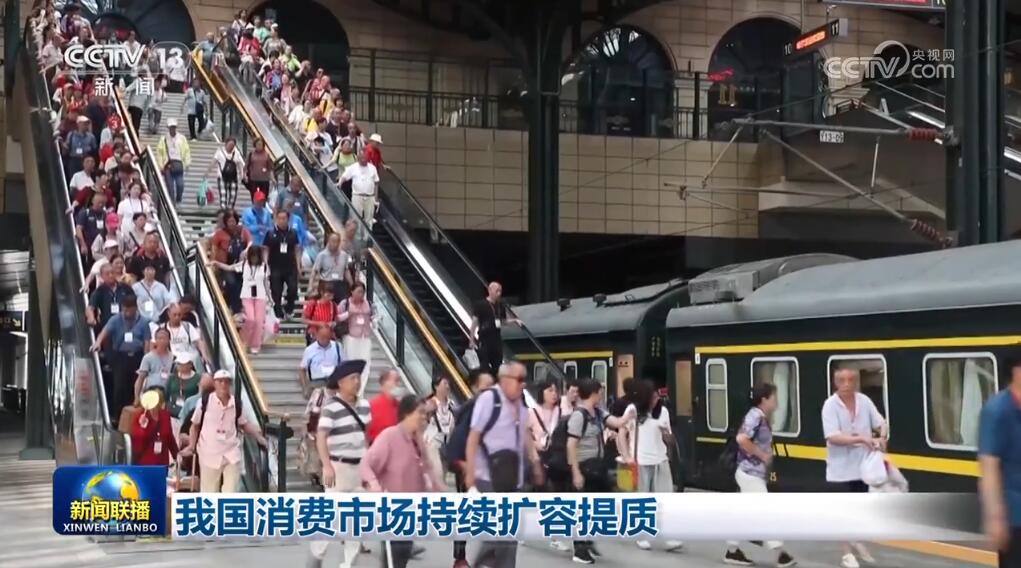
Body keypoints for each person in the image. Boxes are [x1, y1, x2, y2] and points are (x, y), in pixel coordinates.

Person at [464, 361, 544, 568]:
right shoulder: (489, 400)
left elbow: (525, 435)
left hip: (513, 480)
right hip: (488, 478)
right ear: (504, 379)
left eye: (525, 380)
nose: (523, 384)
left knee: (509, 536)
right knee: (498, 530)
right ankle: (482, 564)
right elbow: (473, 437)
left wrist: (535, 462)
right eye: (519, 379)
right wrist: (470, 474)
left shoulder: (521, 406)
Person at [361, 394, 446, 568]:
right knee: (396, 556)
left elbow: (426, 467)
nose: (424, 417)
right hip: (392, 509)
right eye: (420, 412)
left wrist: (439, 489)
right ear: (407, 414)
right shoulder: (389, 437)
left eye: (425, 413)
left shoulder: (418, 439)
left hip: (412, 509)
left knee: (402, 554)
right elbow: (366, 465)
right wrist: (375, 487)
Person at [822, 368, 888, 568]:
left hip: (862, 468)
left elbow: (881, 422)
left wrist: (881, 437)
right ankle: (846, 554)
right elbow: (832, 437)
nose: (847, 384)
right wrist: (861, 439)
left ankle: (857, 540)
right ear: (836, 383)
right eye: (842, 380)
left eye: (851, 380)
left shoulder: (864, 401)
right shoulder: (830, 405)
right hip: (840, 470)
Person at [566, 378, 635, 564]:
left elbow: (617, 422)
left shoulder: (597, 412)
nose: (602, 395)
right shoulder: (578, 416)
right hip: (583, 466)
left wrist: (629, 414)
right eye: (600, 392)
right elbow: (571, 445)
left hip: (597, 466)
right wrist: (575, 472)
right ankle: (579, 549)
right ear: (593, 393)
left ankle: (588, 541)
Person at [310, 360, 371, 568]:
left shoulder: (365, 406)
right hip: (338, 467)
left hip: (359, 468)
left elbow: (365, 436)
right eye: (352, 378)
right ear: (341, 383)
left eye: (359, 378)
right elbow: (321, 437)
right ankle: (317, 555)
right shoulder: (331, 407)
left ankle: (348, 563)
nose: (357, 382)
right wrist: (326, 466)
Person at [616, 380, 684, 552]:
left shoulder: (663, 412)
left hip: (660, 460)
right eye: (652, 397)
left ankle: (669, 536)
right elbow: (621, 434)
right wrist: (627, 457)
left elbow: (669, 439)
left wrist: (665, 434)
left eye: (657, 397)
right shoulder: (633, 410)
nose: (656, 400)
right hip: (640, 461)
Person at [182, 370, 268, 492]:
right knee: (209, 492)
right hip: (209, 452)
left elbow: (244, 423)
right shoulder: (205, 402)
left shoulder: (236, 403)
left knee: (230, 491)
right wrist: (191, 445)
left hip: (231, 452)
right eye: (220, 381)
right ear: (215, 383)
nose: (223, 385)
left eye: (226, 382)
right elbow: (194, 425)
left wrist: (258, 437)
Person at [979, 355, 1021, 568]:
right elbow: (989, 467)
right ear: (1016, 371)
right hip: (1014, 518)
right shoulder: (997, 411)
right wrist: (995, 517)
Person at [90, 295, 151, 418]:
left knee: (135, 386)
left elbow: (147, 341)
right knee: (119, 386)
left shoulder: (144, 322)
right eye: (125, 310)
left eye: (129, 310)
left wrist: (145, 358)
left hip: (137, 356)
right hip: (120, 356)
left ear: (135, 308)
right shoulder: (116, 319)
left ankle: (134, 415)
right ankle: (117, 415)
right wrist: (97, 343)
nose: (127, 313)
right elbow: (105, 331)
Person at [208, 245, 270, 354]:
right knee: (250, 319)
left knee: (259, 322)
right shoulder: (244, 264)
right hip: (247, 296)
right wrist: (216, 263)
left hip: (260, 296)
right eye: (252, 256)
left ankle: (255, 345)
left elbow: (266, 283)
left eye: (256, 256)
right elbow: (229, 267)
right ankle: (243, 341)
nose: (254, 259)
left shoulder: (264, 267)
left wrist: (270, 298)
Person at [469, 282, 521, 374]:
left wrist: (515, 321)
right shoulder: (480, 305)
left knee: (498, 366)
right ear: (490, 290)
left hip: (496, 339)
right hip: (485, 339)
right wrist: (471, 340)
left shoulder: (500, 305)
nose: (499, 293)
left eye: (500, 291)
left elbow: (503, 321)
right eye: (497, 291)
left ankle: (495, 379)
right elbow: (474, 323)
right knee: (484, 366)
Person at [210, 209, 251, 314]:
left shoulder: (242, 231)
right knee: (232, 283)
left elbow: (250, 241)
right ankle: (235, 309)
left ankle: (236, 306)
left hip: (240, 264)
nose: (231, 223)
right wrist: (213, 262)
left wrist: (246, 250)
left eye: (233, 221)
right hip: (225, 264)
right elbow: (214, 248)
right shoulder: (219, 233)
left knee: (241, 283)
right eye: (229, 221)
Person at [264, 210, 301, 320]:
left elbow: (297, 249)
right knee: (276, 290)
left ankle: (289, 308)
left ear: (288, 219)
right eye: (279, 218)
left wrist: (298, 264)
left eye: (284, 218)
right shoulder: (270, 233)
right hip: (275, 266)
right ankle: (278, 312)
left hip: (290, 266)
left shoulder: (293, 233)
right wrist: (266, 263)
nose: (281, 221)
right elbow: (266, 249)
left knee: (293, 288)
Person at [154, 303, 210, 370]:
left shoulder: (187, 326)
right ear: (169, 314)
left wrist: (204, 354)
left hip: (190, 358)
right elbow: (155, 345)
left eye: (179, 315)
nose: (177, 317)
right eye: (174, 315)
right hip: (172, 360)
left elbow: (198, 341)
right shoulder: (162, 329)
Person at [131, 388, 179, 466]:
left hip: (162, 462)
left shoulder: (165, 416)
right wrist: (142, 428)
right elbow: (137, 446)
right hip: (145, 463)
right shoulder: (140, 417)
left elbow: (170, 438)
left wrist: (176, 455)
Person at [424, 376, 457, 487]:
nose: (447, 386)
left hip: (447, 443)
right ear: (436, 386)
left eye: (448, 384)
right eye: (444, 384)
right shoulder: (429, 404)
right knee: (437, 474)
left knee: (443, 475)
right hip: (432, 443)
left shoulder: (451, 404)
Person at [337, 282, 373, 382]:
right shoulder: (345, 303)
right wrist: (348, 314)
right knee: (351, 360)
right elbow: (337, 317)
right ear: (352, 292)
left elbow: (372, 316)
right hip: (351, 337)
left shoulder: (368, 303)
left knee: (365, 361)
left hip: (365, 336)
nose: (360, 294)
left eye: (362, 292)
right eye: (358, 292)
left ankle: (362, 383)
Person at [338, 149, 379, 231]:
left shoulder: (372, 168)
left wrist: (376, 198)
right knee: (356, 218)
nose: (364, 159)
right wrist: (340, 183)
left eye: (365, 157)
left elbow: (376, 182)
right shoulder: (353, 167)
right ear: (358, 157)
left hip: (370, 196)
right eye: (362, 157)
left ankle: (367, 236)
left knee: (369, 219)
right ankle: (358, 236)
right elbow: (344, 176)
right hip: (357, 196)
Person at [299, 322, 344, 397]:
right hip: (317, 382)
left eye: (327, 337)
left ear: (330, 335)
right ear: (317, 335)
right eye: (323, 337)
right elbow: (302, 369)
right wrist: (305, 388)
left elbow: (344, 364)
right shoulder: (310, 350)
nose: (325, 340)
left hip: (334, 382)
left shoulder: (337, 347)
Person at [156, 118, 191, 204]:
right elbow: (159, 153)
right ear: (168, 127)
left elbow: (187, 151)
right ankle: (172, 203)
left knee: (180, 184)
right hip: (168, 164)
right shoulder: (163, 139)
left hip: (179, 163)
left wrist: (187, 163)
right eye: (171, 127)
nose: (172, 129)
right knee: (170, 186)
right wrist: (161, 165)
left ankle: (178, 198)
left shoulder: (182, 138)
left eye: (174, 127)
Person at [134, 328, 175, 401]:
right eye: (159, 338)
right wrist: (137, 397)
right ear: (155, 340)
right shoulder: (148, 357)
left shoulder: (174, 358)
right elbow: (140, 379)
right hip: (151, 391)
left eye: (164, 338)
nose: (162, 341)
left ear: (169, 340)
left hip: (168, 392)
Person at [310, 232, 352, 302]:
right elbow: (315, 271)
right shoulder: (322, 255)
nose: (335, 244)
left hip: (339, 282)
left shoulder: (344, 255)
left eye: (337, 241)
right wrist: (310, 286)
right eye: (333, 241)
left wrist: (352, 284)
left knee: (343, 301)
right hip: (326, 282)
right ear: (328, 241)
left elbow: (346, 270)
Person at [367, 369, 401, 445]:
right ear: (385, 382)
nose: (398, 384)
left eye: (399, 381)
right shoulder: (372, 405)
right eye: (396, 380)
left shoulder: (400, 406)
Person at [212, 137, 246, 209]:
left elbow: (240, 164)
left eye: (233, 145)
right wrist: (207, 172)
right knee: (223, 194)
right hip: (222, 177)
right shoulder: (220, 152)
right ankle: (223, 209)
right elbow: (214, 162)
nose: (231, 147)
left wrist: (242, 175)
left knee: (233, 196)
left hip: (233, 177)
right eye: (230, 145)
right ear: (226, 144)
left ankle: (230, 209)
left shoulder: (236, 153)